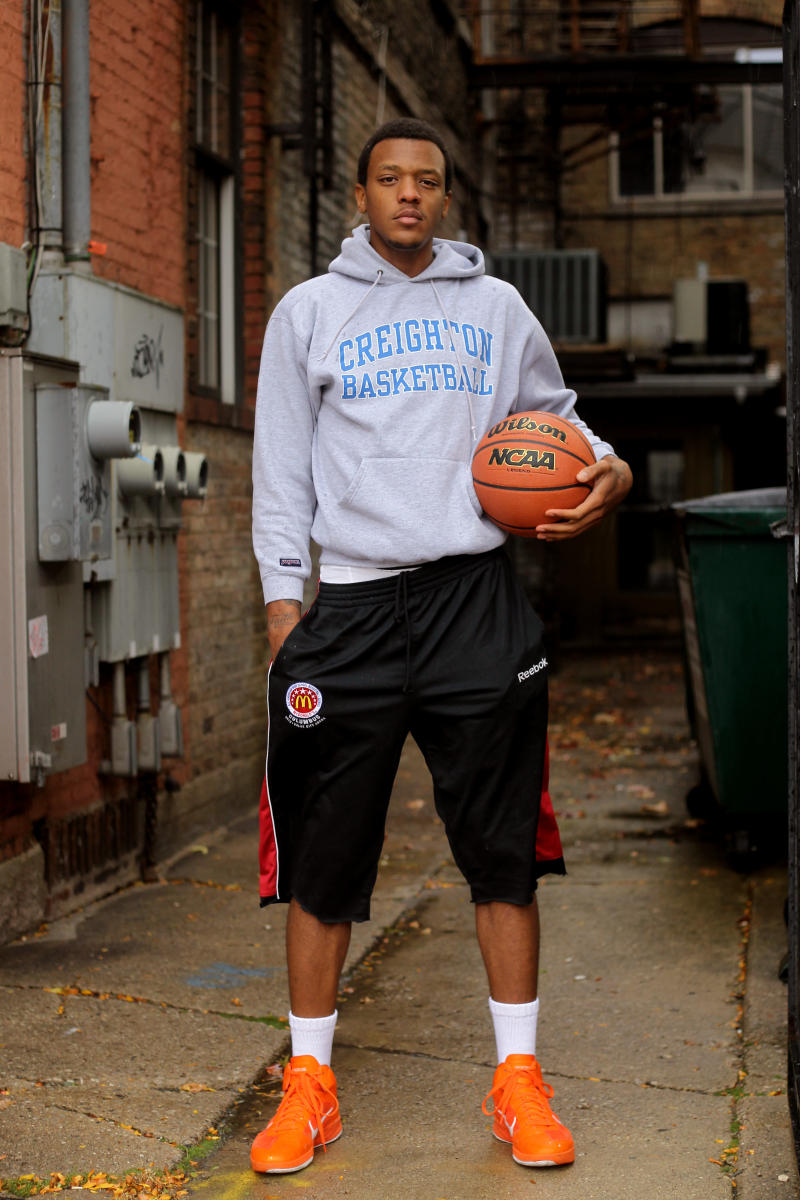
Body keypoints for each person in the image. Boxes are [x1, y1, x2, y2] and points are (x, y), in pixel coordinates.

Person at [250, 117, 632, 1176]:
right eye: (389, 179)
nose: (408, 195)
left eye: (427, 180)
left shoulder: (497, 308)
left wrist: (611, 468)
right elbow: (280, 467)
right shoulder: (309, 312)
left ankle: (518, 1082)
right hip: (355, 612)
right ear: (360, 194)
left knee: (501, 851)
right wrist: (286, 612)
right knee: (324, 861)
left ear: (446, 197)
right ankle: (307, 1088)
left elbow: (554, 419)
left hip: (476, 603)